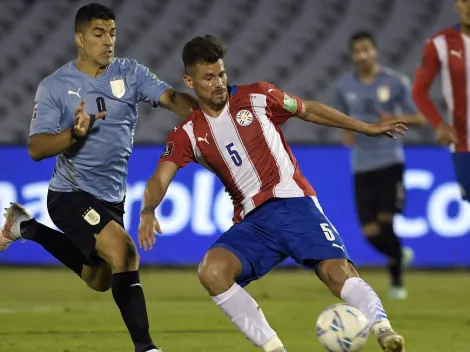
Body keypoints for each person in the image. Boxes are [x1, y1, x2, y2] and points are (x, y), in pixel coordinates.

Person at [138, 35, 407, 352]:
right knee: (212, 270)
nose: (218, 83)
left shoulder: (258, 95)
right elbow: (160, 177)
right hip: (253, 224)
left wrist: (364, 127)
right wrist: (148, 210)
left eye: (221, 74)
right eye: (208, 78)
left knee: (336, 273)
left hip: (293, 204)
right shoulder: (187, 134)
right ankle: (274, 348)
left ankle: (384, 330)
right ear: (189, 81)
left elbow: (309, 111)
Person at [0, 4, 197, 352]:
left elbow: (171, 98)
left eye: (112, 33)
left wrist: (208, 112)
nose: (108, 41)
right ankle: (146, 347)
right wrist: (74, 135)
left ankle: (25, 227)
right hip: (69, 194)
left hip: (111, 199)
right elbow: (36, 147)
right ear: (79, 38)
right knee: (125, 253)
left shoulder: (130, 73)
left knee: (99, 280)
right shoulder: (55, 86)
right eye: (98, 33)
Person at [334, 31, 425, 300]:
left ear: (375, 51)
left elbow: (420, 119)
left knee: (386, 224)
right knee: (370, 233)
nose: (362, 55)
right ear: (352, 56)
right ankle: (397, 254)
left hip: (389, 161)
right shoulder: (343, 87)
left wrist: (395, 117)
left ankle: (397, 283)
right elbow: (342, 118)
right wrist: (346, 131)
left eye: (366, 49)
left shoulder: (395, 82)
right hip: (361, 165)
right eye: (357, 51)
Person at [412, 0, 469, 202]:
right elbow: (419, 91)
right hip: (464, 145)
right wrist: (439, 124)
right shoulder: (439, 43)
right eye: (464, 0)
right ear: (456, 4)